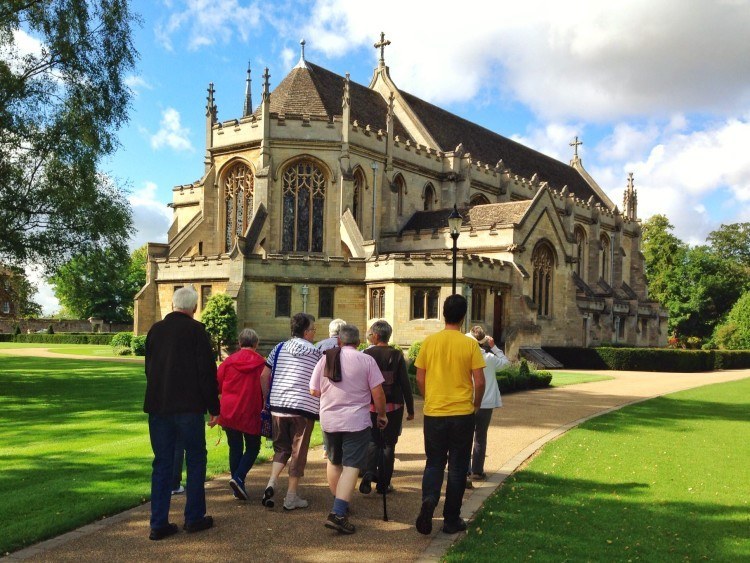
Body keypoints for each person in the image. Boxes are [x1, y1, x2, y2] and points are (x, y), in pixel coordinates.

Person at [144, 286, 219, 541]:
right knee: (196, 459)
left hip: (159, 407)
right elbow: (206, 374)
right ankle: (194, 517)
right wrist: (214, 408)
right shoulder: (197, 331)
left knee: (162, 462)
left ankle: (158, 522)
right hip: (188, 407)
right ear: (194, 308)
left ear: (174, 305)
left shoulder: (155, 330)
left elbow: (149, 369)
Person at [414, 294, 485, 535]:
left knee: (434, 463)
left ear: (444, 313)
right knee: (457, 467)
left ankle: (429, 500)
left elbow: (420, 378)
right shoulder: (470, 344)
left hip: (435, 412)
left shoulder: (429, 342)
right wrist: (476, 405)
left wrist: (429, 397)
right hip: (462, 413)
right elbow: (480, 381)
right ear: (463, 316)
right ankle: (451, 519)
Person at [310, 324, 387, 534]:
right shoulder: (366, 360)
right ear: (359, 342)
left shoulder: (326, 358)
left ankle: (340, 503)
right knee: (352, 465)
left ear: (339, 341)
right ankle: (338, 511)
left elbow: (313, 391)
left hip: (329, 420)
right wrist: (381, 415)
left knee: (334, 461)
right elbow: (378, 392)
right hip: (356, 421)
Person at [260, 313, 321, 510]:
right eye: (313, 329)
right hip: (302, 408)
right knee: (298, 452)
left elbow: (264, 375)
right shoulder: (316, 353)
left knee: (281, 448)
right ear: (306, 332)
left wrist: (267, 397)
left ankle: (271, 483)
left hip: (278, 406)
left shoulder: (278, 348)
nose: (314, 332)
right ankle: (291, 496)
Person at [360, 320, 414, 495]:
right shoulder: (397, 355)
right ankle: (383, 484)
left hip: (370, 404)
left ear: (375, 336)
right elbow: (405, 384)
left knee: (373, 441)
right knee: (389, 444)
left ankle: (368, 474)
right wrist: (411, 408)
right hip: (394, 405)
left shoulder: (366, 354)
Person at [211, 328, 265, 501]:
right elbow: (266, 387)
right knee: (253, 447)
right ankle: (239, 478)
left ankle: (237, 486)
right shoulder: (261, 363)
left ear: (240, 343)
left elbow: (217, 385)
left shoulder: (228, 362)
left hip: (230, 410)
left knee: (235, 447)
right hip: (251, 409)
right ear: (256, 344)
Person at [466, 326, 509, 481]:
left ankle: (465, 470)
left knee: (466, 436)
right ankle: (477, 471)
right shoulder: (490, 358)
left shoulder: (466, 356)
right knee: (480, 436)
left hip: (468, 401)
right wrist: (494, 347)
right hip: (486, 402)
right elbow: (506, 363)